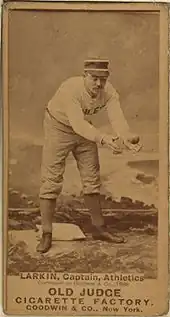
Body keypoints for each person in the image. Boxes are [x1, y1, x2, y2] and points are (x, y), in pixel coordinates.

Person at [36, 58, 142, 253]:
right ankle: (46, 233)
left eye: (103, 79)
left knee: (91, 178)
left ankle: (99, 228)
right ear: (85, 75)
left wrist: (126, 138)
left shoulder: (108, 91)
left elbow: (117, 119)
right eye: (94, 78)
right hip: (58, 128)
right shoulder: (70, 89)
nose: (99, 84)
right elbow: (77, 124)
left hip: (85, 130)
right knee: (51, 181)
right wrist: (104, 139)